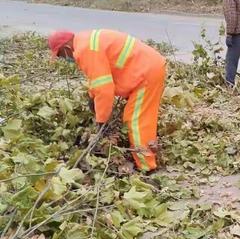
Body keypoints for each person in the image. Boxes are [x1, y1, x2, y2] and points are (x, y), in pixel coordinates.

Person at [48, 29, 167, 172]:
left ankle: (147, 167)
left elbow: (104, 89)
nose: (64, 59)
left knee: (136, 120)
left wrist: (102, 120)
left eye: (61, 55)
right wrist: (92, 96)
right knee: (137, 118)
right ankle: (145, 157)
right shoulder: (85, 41)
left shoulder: (86, 50)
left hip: (146, 73)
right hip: (144, 68)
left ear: (66, 48)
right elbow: (99, 77)